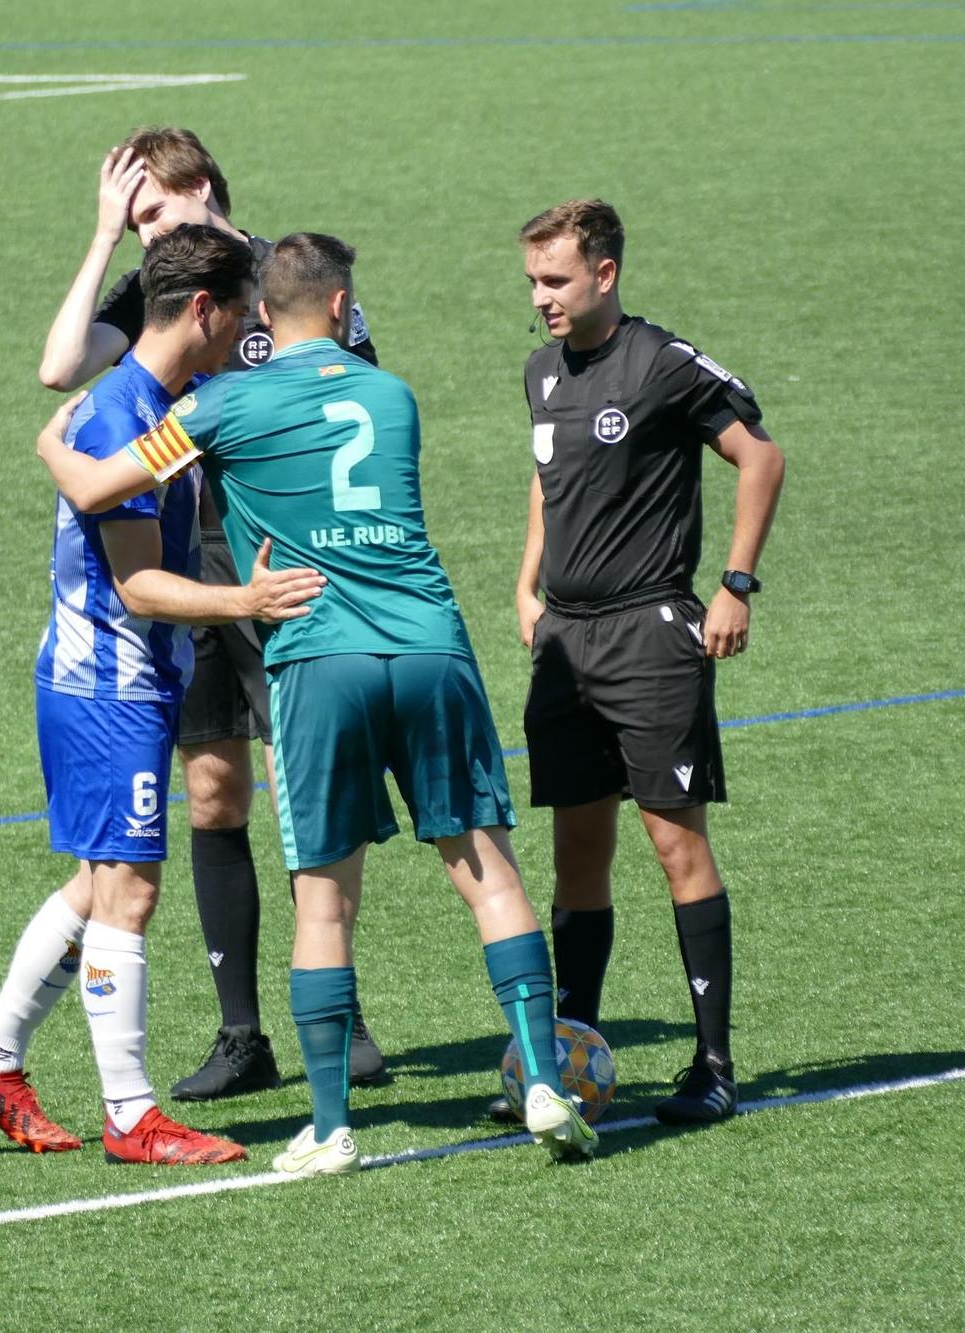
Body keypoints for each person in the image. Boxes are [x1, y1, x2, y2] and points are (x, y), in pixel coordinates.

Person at [36, 232, 597, 1177]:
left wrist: (54, 436)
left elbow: (97, 484)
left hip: (317, 660)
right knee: (489, 874)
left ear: (262, 313)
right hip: (431, 647)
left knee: (325, 903)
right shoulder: (394, 395)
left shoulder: (221, 406)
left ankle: (330, 1127)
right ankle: (543, 1076)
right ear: (342, 308)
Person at [0, 224, 324, 1165]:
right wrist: (249, 599)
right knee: (132, 893)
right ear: (203, 309)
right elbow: (138, 585)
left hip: (119, 678)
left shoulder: (159, 398)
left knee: (96, 880)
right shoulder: (125, 417)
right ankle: (131, 1116)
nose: (254, 326)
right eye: (243, 310)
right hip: (108, 684)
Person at [38, 127, 386, 1100]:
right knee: (211, 797)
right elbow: (61, 368)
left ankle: (337, 1009)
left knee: (306, 793)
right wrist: (107, 233)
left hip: (284, 566)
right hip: (194, 569)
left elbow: (355, 387)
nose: (144, 229)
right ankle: (242, 1037)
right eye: (134, 216)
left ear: (200, 191)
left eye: (151, 209)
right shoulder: (155, 282)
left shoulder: (282, 281)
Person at [500, 200, 786, 1128]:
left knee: (675, 842)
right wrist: (528, 585)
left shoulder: (661, 362)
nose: (539, 297)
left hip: (651, 635)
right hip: (566, 643)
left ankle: (713, 1063)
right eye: (533, 280)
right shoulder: (543, 372)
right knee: (578, 853)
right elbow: (550, 481)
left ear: (605, 274)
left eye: (555, 279)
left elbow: (760, 457)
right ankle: (569, 1062)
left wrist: (736, 583)